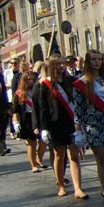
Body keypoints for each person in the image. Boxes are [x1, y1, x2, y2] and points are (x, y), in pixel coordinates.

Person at [33, 53, 88, 198]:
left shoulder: (72, 81)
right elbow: (43, 108)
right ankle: (61, 185)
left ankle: (78, 188)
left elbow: (79, 101)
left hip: (72, 122)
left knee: (74, 155)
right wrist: (44, 128)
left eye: (63, 63)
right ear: (52, 66)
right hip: (55, 124)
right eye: (58, 63)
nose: (62, 66)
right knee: (59, 155)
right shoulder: (45, 84)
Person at [73, 50, 104, 207]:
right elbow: (78, 109)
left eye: (99, 59)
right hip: (93, 125)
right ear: (88, 62)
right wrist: (78, 130)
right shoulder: (82, 83)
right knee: (101, 158)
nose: (97, 62)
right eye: (93, 59)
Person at [12, 70, 48, 172]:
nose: (31, 81)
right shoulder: (19, 93)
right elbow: (15, 110)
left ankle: (39, 159)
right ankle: (33, 165)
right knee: (32, 143)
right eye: (28, 79)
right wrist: (16, 122)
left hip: (39, 117)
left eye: (33, 79)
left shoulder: (38, 90)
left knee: (43, 141)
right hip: (27, 119)